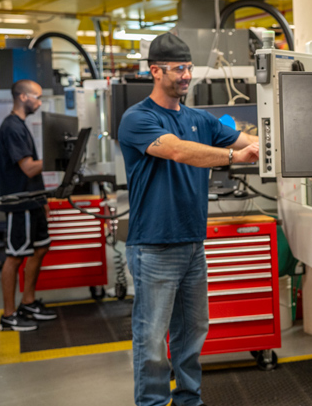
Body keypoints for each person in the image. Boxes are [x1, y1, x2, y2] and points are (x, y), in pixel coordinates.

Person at [118, 33, 260, 406]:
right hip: (153, 247)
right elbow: (179, 152)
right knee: (151, 339)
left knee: (192, 333)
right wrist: (232, 158)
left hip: (192, 245)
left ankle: (188, 401)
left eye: (189, 68)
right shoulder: (138, 119)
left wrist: (266, 141)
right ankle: (150, 403)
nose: (186, 75)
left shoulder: (200, 119)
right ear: (155, 71)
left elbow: (245, 141)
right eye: (179, 69)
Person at [0, 79, 58, 332]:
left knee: (40, 248)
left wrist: (42, 201)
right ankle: (9, 315)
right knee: (14, 257)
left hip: (32, 201)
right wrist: (58, 156)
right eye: (37, 97)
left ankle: (28, 302)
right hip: (19, 204)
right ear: (23, 97)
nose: (40, 102)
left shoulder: (21, 126)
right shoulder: (12, 127)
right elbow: (29, 168)